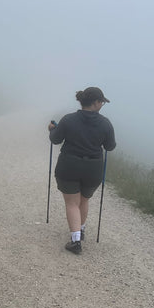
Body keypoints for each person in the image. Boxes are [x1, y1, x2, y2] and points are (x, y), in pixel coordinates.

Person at [48, 87, 116, 254]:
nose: (102, 104)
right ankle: (81, 229)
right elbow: (110, 146)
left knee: (72, 203)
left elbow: (55, 139)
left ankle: (76, 241)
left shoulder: (68, 120)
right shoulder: (105, 123)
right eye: (102, 102)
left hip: (69, 166)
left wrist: (52, 129)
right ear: (95, 103)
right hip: (93, 169)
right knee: (83, 200)